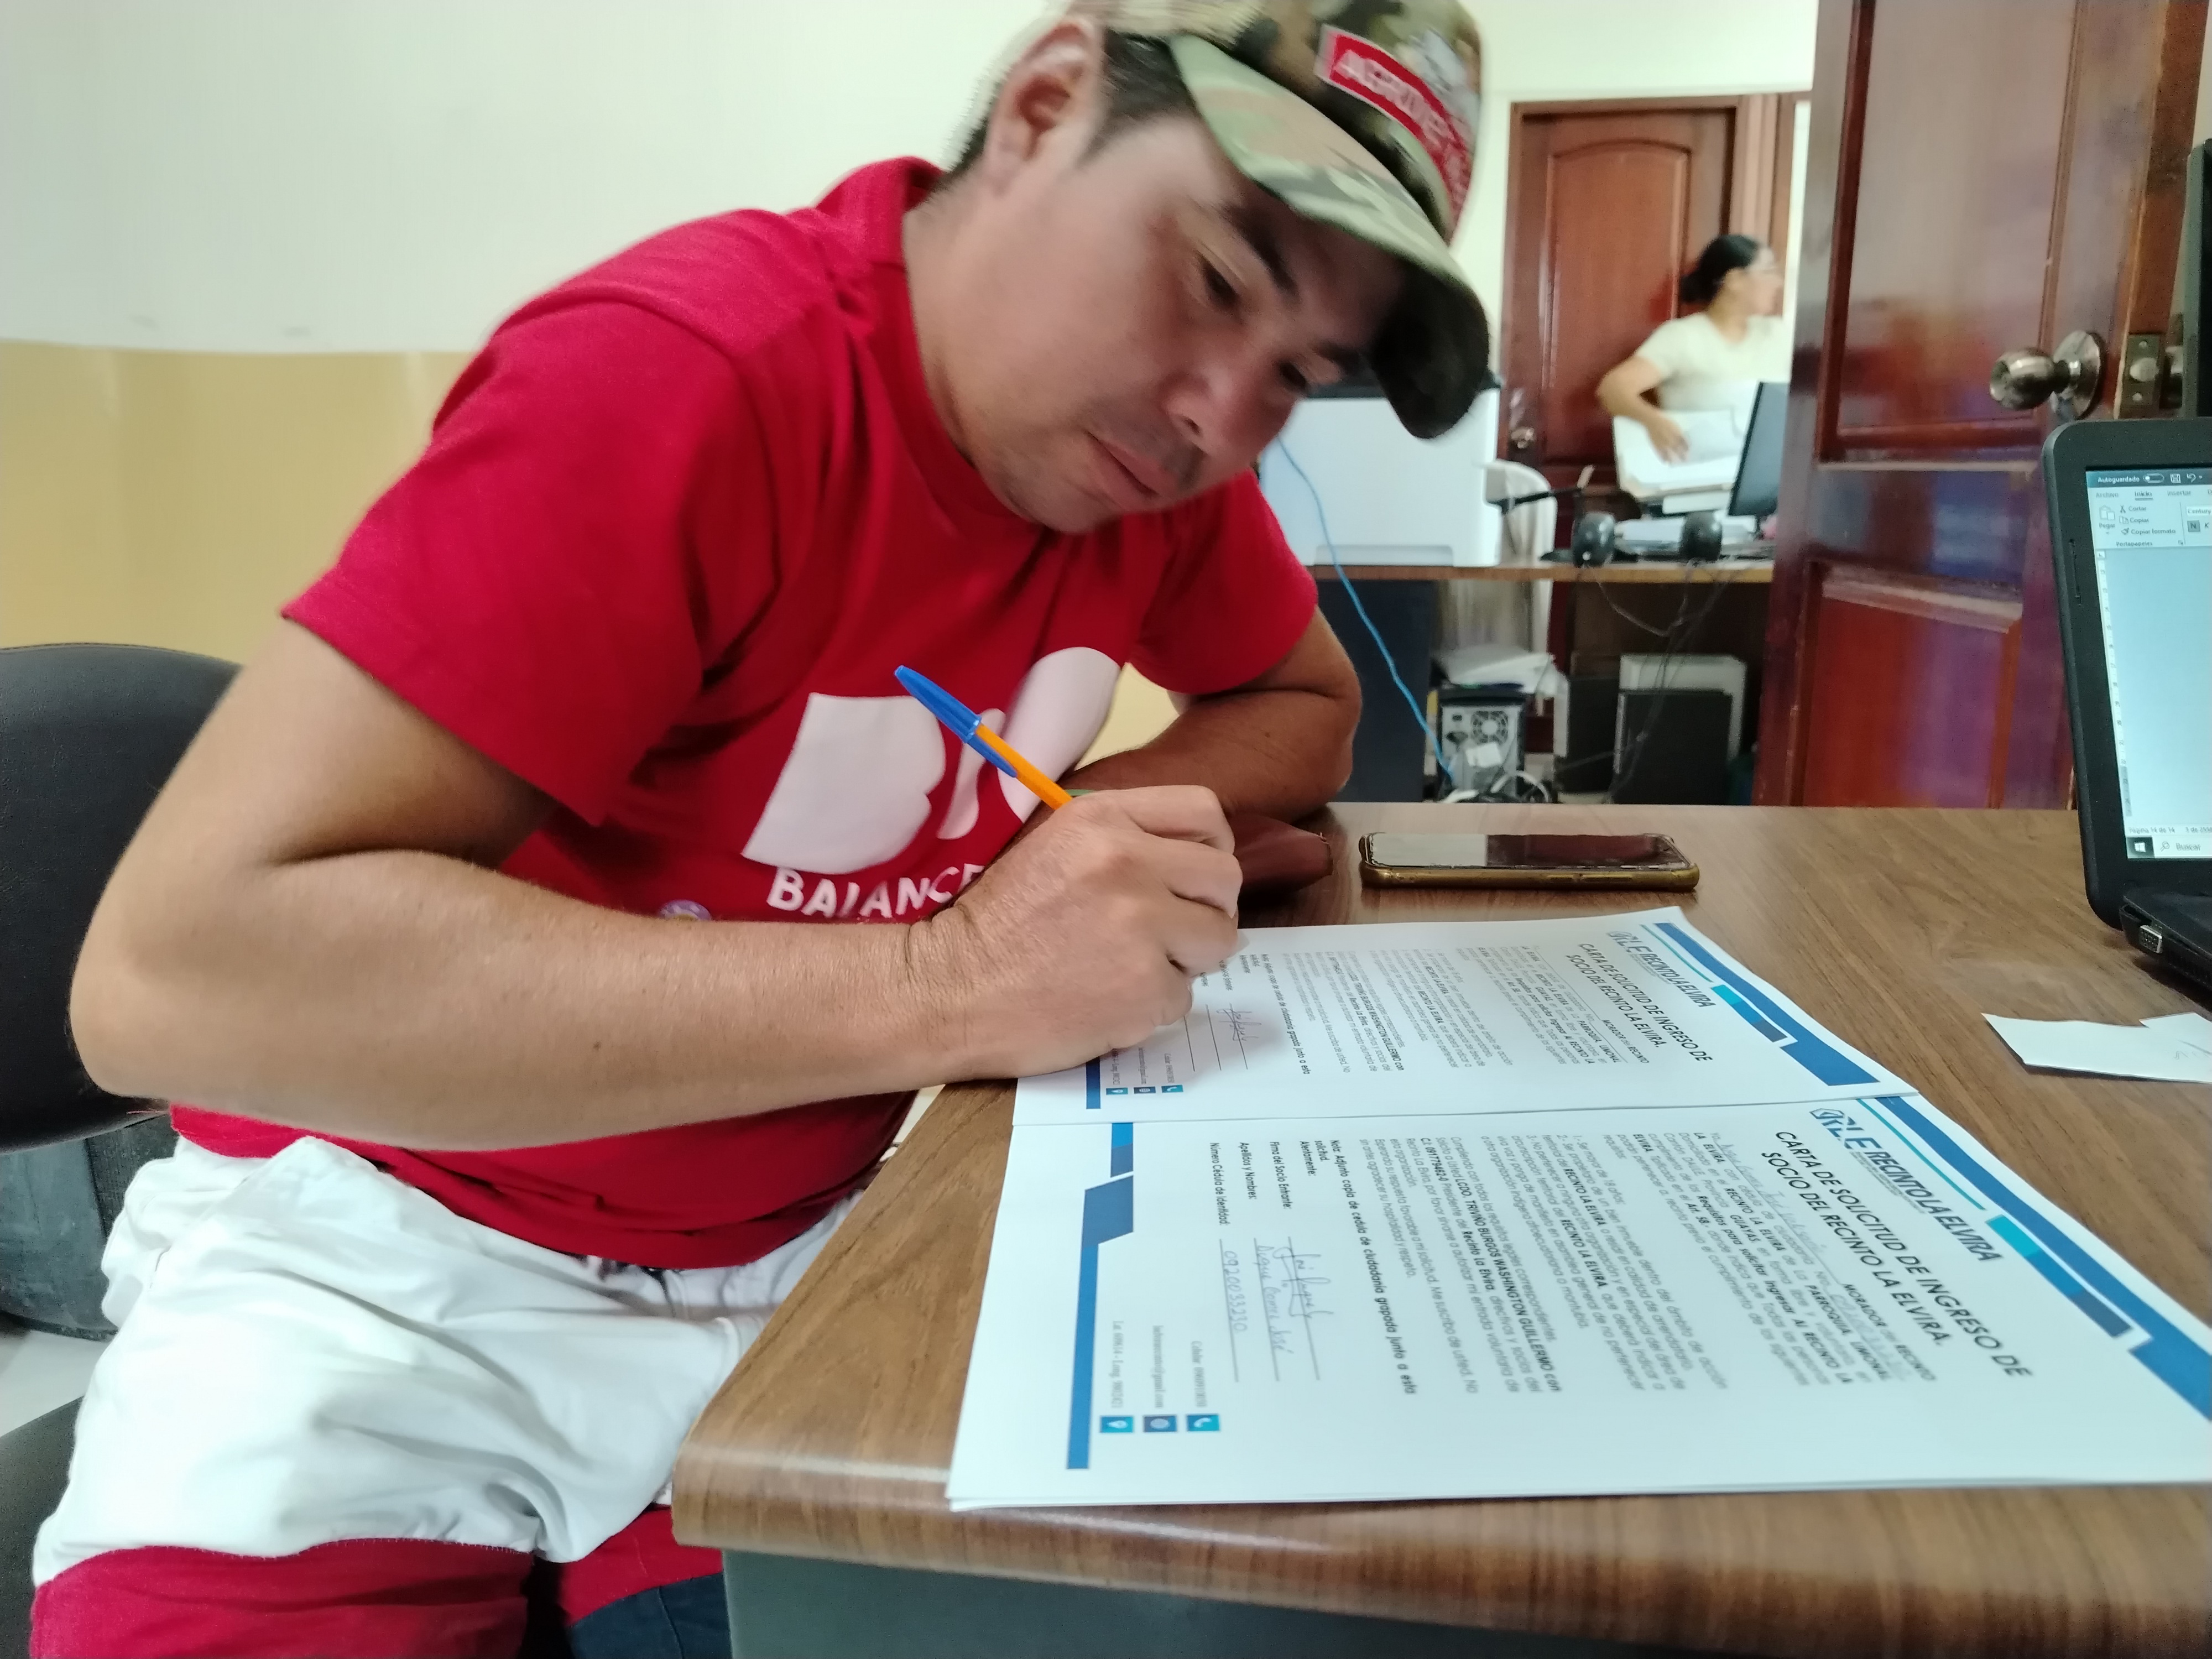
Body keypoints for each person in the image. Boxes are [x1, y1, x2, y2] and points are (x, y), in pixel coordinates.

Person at [31, 3, 1488, 1656]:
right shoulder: (685, 376)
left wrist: (1066, 859)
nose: (1222, 416)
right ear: (1043, 104)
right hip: (385, 1259)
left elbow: (1303, 700)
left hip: (801, 1256)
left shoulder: (1150, 479)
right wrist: (957, 975)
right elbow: (172, 979)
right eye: (1216, 277)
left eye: (1298, 374)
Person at [1596, 232, 1786, 462]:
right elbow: (1613, 389)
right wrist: (1654, 421)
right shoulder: (1683, 337)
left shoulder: (1779, 334)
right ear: (1735, 279)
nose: (1778, 283)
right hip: (1698, 474)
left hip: (1771, 471)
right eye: (1769, 272)